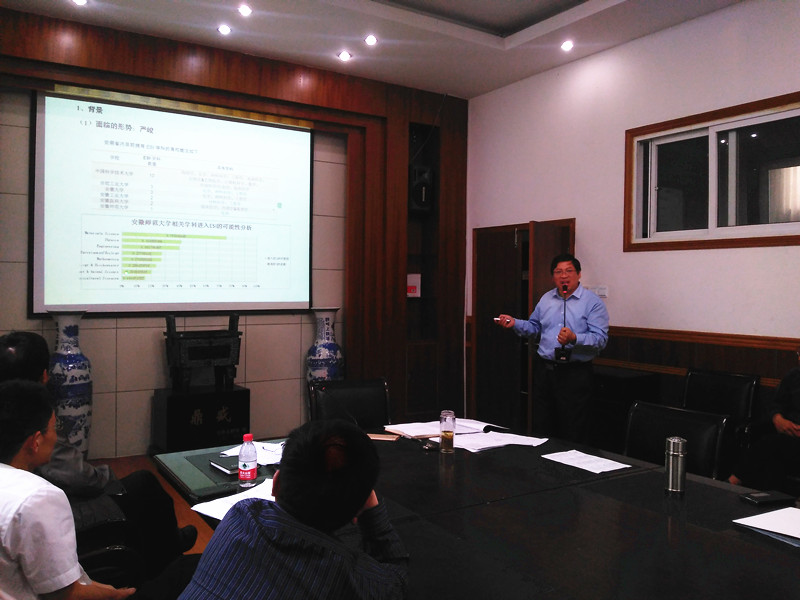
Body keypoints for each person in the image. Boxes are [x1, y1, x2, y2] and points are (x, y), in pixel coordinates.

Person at [0, 331, 197, 579]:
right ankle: (168, 565)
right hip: (57, 510)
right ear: (44, 375)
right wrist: (107, 477)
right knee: (143, 487)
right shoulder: (31, 418)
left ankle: (166, 548)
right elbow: (78, 477)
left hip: (31, 506)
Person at [178, 419, 409, 600]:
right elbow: (397, 582)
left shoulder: (240, 516)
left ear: (275, 483)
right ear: (356, 513)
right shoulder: (343, 572)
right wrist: (373, 515)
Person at [0, 378, 136, 599]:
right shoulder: (36, 498)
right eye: (54, 429)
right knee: (184, 570)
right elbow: (65, 594)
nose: (56, 437)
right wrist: (114, 595)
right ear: (35, 442)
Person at [496, 253, 609, 443]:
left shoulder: (592, 303)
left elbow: (600, 339)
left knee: (573, 428)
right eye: (558, 272)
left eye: (569, 271)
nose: (564, 275)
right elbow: (534, 327)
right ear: (553, 276)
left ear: (579, 274)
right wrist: (515, 323)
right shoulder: (546, 299)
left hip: (575, 374)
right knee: (543, 426)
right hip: (545, 371)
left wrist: (574, 338)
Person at [728, 347, 800, 491]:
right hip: (786, 433)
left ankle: (733, 481)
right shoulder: (794, 375)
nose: (799, 359)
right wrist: (777, 418)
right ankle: (764, 498)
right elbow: (776, 403)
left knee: (770, 444)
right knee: (770, 459)